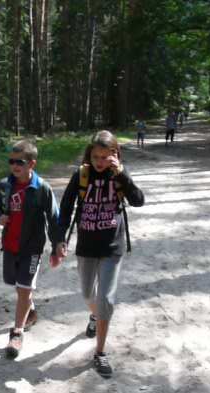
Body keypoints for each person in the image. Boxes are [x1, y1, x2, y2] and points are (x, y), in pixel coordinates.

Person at [56, 130, 144, 378]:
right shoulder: (82, 175)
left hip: (112, 248)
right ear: (90, 154)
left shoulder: (119, 175)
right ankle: (95, 315)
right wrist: (59, 239)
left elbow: (138, 200)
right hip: (86, 246)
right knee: (87, 294)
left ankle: (100, 352)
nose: (100, 162)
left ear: (115, 154)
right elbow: (65, 208)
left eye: (105, 157)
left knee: (105, 299)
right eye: (96, 156)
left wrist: (122, 174)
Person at [0, 139, 62, 359]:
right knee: (16, 284)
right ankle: (30, 311)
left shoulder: (41, 188)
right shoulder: (4, 186)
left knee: (24, 288)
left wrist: (57, 245)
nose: (14, 166)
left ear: (32, 163)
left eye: (19, 162)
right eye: (11, 161)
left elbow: (54, 218)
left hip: (32, 247)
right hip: (10, 246)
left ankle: (17, 333)